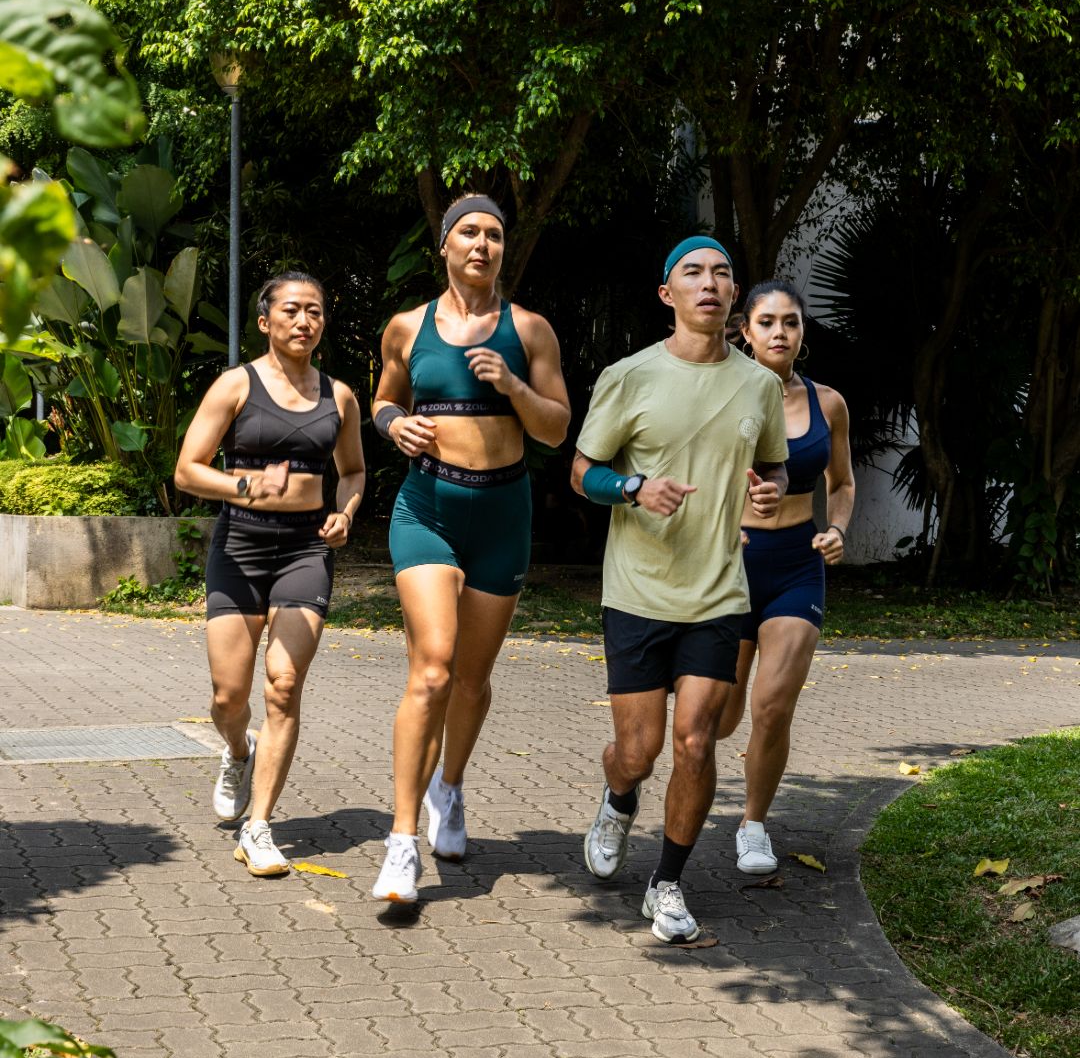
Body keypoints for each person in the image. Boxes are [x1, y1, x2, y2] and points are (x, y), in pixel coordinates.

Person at [573, 236, 788, 944]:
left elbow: (774, 469)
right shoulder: (628, 376)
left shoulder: (759, 384)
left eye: (722, 273)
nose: (710, 283)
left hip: (720, 593)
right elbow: (583, 472)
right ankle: (619, 796)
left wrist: (770, 487)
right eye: (692, 273)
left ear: (733, 297)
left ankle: (665, 883)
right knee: (638, 750)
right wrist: (633, 486)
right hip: (636, 591)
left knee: (695, 742)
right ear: (667, 294)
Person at [370, 194, 570, 903]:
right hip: (427, 508)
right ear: (446, 247)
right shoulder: (407, 327)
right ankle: (400, 843)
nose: (482, 245)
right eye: (469, 234)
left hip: (502, 515)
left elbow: (554, 428)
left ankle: (448, 789)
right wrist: (395, 427)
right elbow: (383, 399)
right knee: (430, 672)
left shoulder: (530, 330)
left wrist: (511, 383)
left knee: (472, 682)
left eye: (493, 235)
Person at [175, 273, 365, 877]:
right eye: (291, 310)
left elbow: (354, 471)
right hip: (240, 548)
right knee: (230, 698)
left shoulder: (339, 396)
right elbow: (186, 470)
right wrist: (246, 485)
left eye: (315, 310)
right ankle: (237, 751)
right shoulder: (236, 385)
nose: (304, 321)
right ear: (265, 321)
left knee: (283, 685)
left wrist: (345, 512)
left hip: (305, 552)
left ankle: (259, 826)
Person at [719, 280, 855, 876]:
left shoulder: (829, 404)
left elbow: (843, 483)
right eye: (767, 322)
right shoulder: (717, 394)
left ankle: (753, 824)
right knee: (719, 717)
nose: (780, 333)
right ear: (745, 331)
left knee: (772, 706)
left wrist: (839, 531)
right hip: (728, 565)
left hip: (797, 566)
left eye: (791, 323)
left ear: (803, 333)